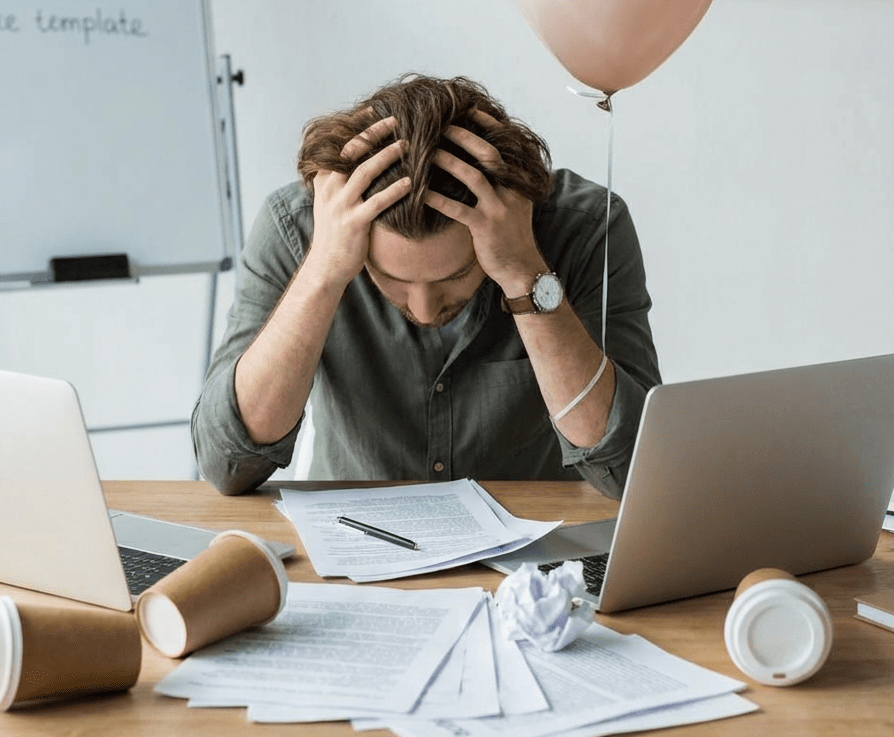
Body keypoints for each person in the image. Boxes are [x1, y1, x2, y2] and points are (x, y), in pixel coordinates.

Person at [192, 74, 660, 498]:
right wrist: (321, 272)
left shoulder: (588, 227)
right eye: (393, 279)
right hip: (355, 544)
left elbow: (630, 470)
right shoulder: (298, 228)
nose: (424, 308)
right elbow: (227, 464)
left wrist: (524, 273)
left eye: (454, 276)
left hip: (543, 553)